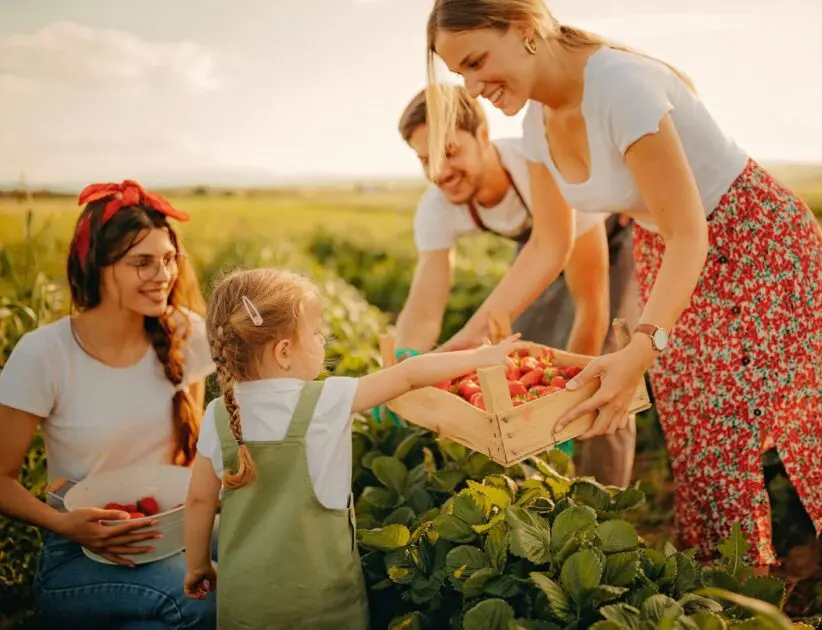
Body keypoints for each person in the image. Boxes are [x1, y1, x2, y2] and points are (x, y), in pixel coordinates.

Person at [423, 0, 822, 568]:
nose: (473, 88)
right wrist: (464, 343)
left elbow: (689, 230)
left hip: (753, 240)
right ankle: (727, 575)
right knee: (695, 431)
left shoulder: (618, 87)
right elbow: (550, 246)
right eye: (461, 75)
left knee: (725, 425)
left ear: (524, 28)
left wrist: (643, 347)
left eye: (477, 62)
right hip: (668, 249)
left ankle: (783, 568)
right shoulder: (534, 122)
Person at [182, 266, 527, 629]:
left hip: (245, 605)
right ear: (283, 351)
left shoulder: (219, 414)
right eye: (315, 333)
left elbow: (200, 501)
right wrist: (479, 358)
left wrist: (198, 565)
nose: (322, 341)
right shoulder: (328, 399)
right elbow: (409, 374)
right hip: (325, 606)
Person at [395, 85, 640, 485]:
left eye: (450, 151)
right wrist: (403, 369)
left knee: (602, 370)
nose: (439, 171)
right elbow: (424, 306)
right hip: (540, 244)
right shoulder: (437, 207)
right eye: (425, 159)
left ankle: (603, 498)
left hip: (611, 237)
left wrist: (570, 401)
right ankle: (539, 487)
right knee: (526, 354)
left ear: (484, 137)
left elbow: (592, 308)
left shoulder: (541, 172)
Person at [0, 180, 217, 626]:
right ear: (97, 266)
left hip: (170, 526)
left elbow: (192, 455)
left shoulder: (185, 332)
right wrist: (64, 525)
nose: (163, 276)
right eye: (143, 263)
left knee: (263, 567)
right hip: (80, 550)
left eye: (168, 259)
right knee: (203, 599)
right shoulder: (45, 353)